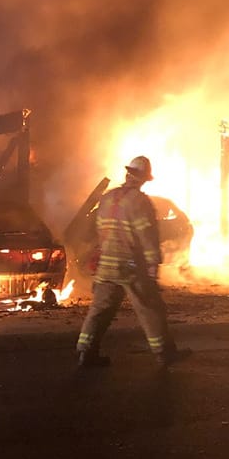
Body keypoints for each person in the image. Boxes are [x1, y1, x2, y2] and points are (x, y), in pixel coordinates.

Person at [75, 155, 181, 370]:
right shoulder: (140, 202)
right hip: (131, 266)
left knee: (99, 310)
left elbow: (99, 230)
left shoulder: (107, 198)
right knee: (150, 309)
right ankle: (164, 354)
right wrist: (153, 265)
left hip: (106, 265)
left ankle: (86, 353)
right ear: (142, 179)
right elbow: (147, 237)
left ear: (127, 174)